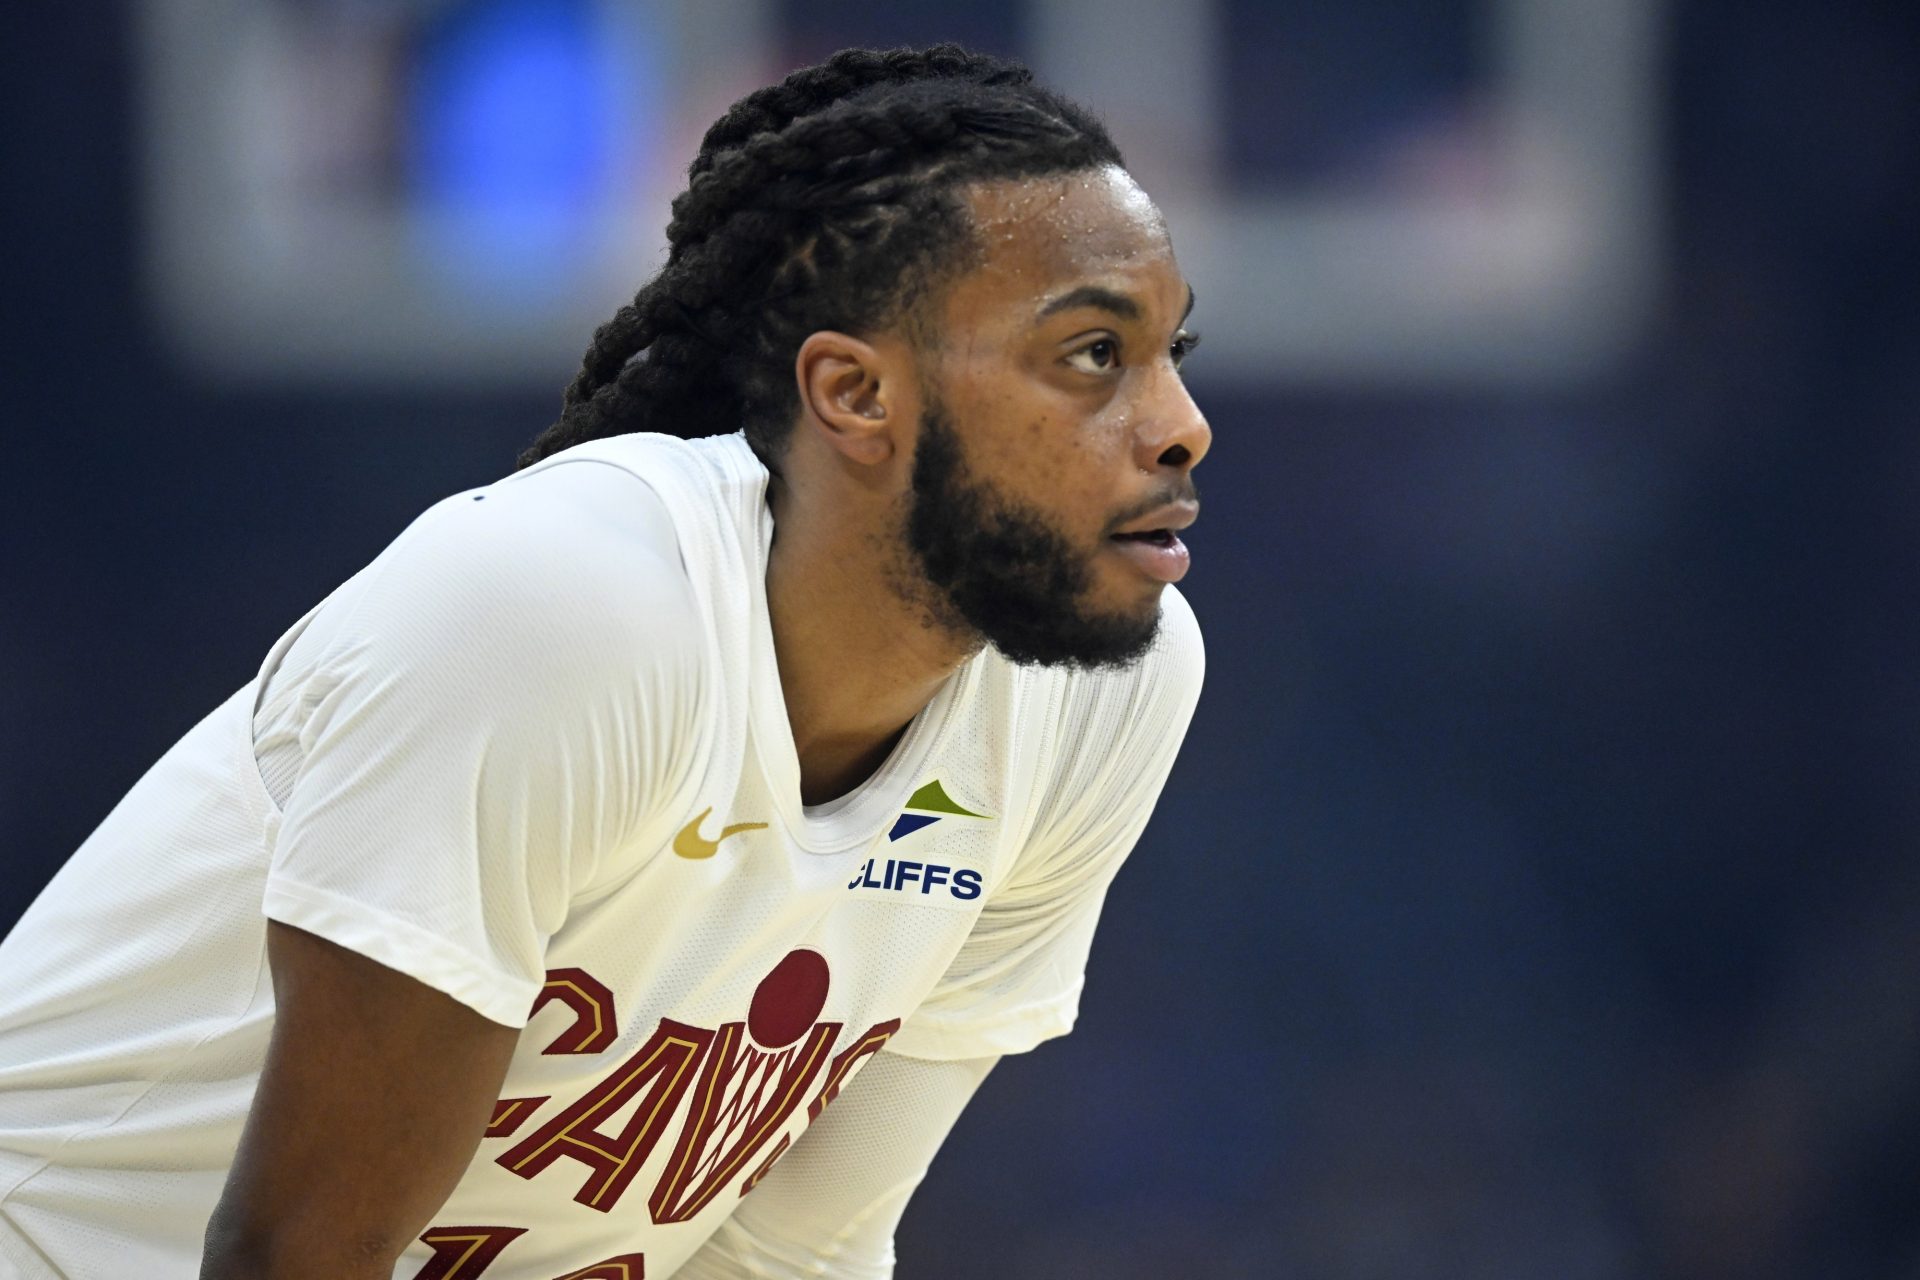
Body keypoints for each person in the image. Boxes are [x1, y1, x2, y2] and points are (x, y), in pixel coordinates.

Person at [0, 43, 1208, 1279]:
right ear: (856, 393)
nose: (1179, 424)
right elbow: (293, 1254)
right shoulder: (563, 611)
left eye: (1175, 355)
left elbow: (792, 1249)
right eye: (1093, 357)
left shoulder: (1101, 692)